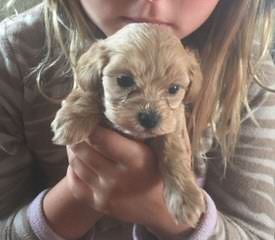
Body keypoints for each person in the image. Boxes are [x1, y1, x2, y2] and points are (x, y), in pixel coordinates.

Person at [0, 0, 274, 239]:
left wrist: (165, 213)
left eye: (173, 89)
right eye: (125, 80)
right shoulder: (12, 53)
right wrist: (79, 195)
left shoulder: (250, 71)